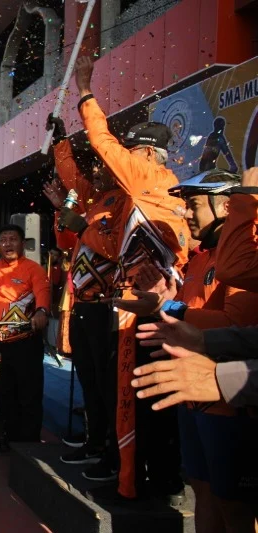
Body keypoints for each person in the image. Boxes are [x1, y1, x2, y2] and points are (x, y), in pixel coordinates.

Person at [114, 169, 258, 528]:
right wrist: (162, 301)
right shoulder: (199, 258)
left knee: (234, 506)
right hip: (190, 397)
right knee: (204, 492)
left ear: (226, 206)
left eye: (194, 205)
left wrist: (172, 309)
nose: (186, 215)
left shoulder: (243, 259)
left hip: (228, 403)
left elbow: (235, 326)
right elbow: (192, 312)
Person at [76, 55, 190, 501]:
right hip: (147, 307)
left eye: (129, 152)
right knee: (143, 392)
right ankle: (147, 477)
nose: (117, 162)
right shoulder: (156, 188)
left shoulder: (145, 177)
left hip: (142, 310)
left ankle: (148, 483)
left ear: (143, 154)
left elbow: (102, 141)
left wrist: (85, 89)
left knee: (140, 394)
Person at [46, 115, 126, 481]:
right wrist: (61, 141)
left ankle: (115, 450)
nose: (94, 172)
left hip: (108, 309)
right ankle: (95, 442)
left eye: (101, 165)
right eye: (93, 165)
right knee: (90, 381)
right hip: (82, 307)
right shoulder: (95, 200)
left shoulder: (127, 201)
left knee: (108, 385)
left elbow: (118, 250)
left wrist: (80, 226)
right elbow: (70, 179)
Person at [0, 224, 50, 446]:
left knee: (29, 393)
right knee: (5, 392)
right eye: (3, 239)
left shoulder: (34, 269)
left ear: (22, 244)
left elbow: (42, 292)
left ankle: (29, 442)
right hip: (1, 340)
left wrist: (42, 311)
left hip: (26, 340)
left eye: (13, 239)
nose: (8, 243)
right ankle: (6, 436)